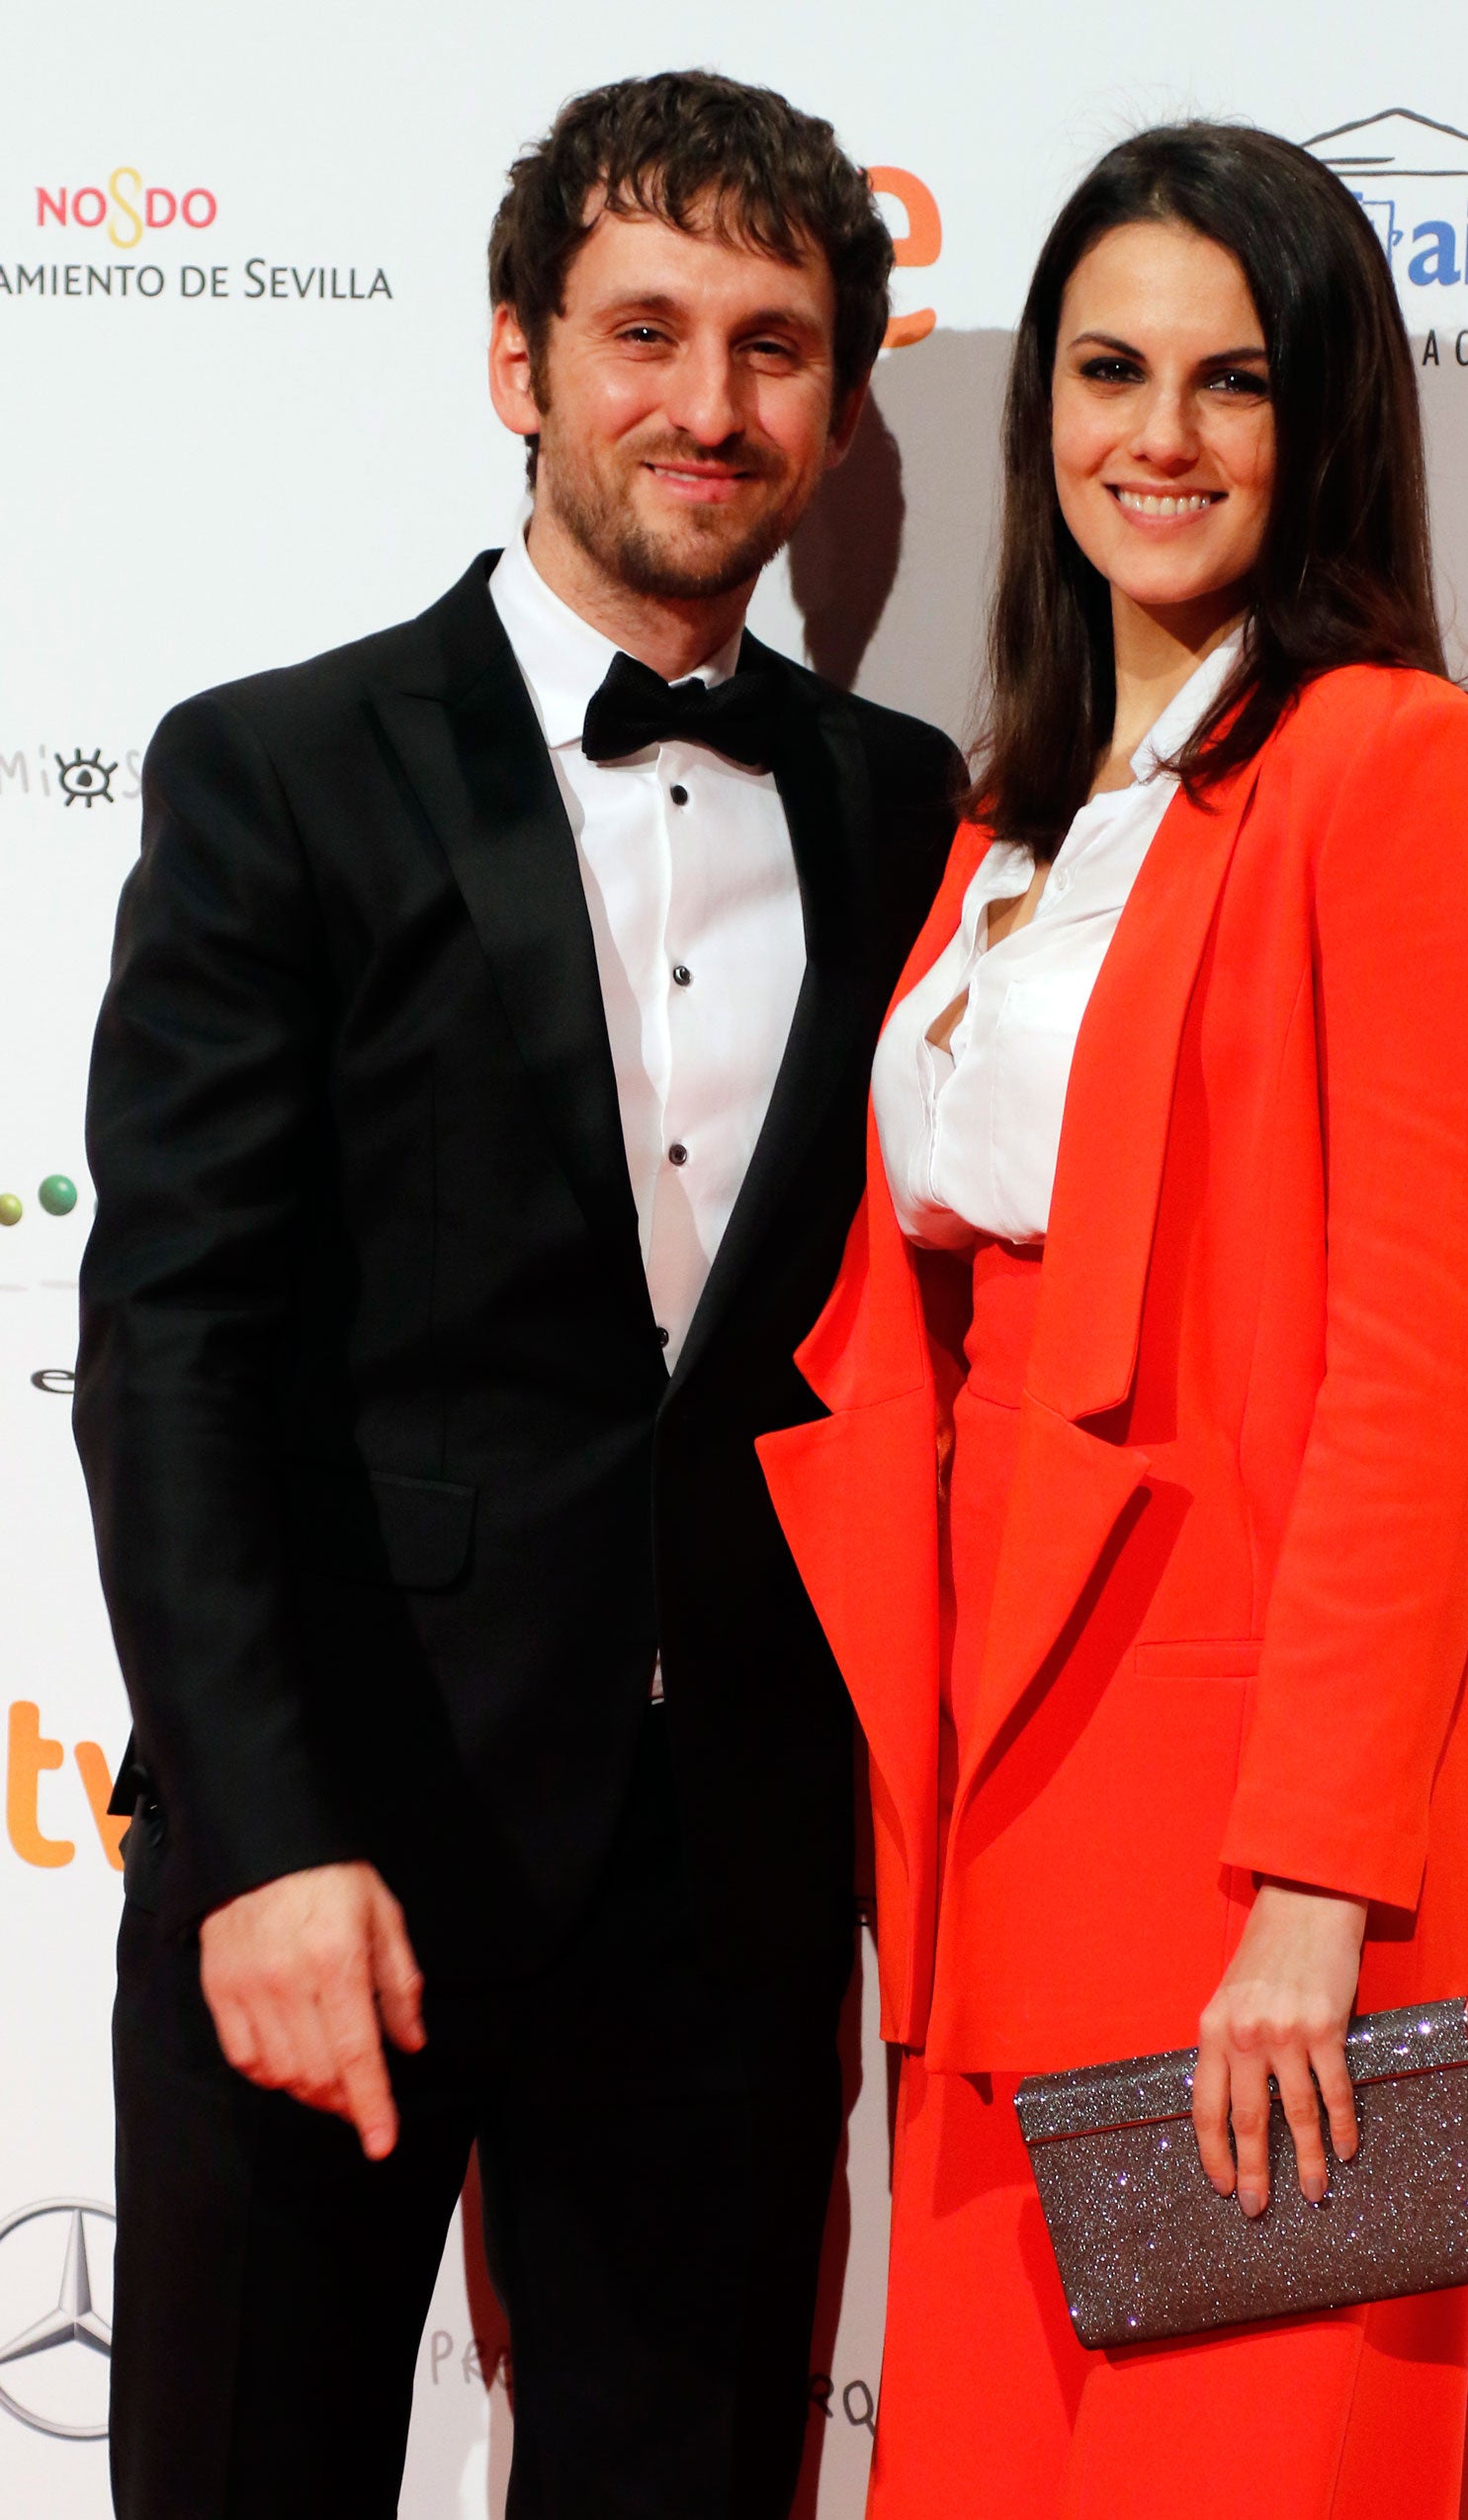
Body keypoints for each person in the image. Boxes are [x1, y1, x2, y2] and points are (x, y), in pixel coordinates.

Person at [74, 69, 960, 2520]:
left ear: (841, 405)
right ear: (515, 361)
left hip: (728, 1884)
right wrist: (257, 1839)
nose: (706, 402)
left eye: (773, 344)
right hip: (337, 1840)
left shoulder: (910, 808)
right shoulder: (276, 773)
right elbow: (176, 1355)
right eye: (643, 328)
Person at [759, 122, 1468, 2518]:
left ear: (1321, 423)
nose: (1158, 438)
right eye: (1107, 372)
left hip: (1238, 1852)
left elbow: (1415, 1381)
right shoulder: (1014, 817)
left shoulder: (1388, 773)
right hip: (993, 1817)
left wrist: (1315, 1899)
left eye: (1232, 383)